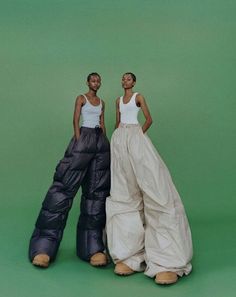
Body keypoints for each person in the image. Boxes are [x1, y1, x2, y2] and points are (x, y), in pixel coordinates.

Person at [106, 72, 193, 285]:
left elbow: (149, 118)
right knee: (123, 192)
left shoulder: (138, 96)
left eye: (128, 78)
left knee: (156, 190)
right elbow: (118, 122)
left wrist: (139, 136)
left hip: (137, 139)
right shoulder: (118, 100)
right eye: (123, 78)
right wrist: (119, 139)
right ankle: (131, 255)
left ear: (134, 82)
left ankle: (168, 260)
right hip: (120, 141)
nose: (125, 81)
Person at [29, 72, 110, 268]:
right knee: (63, 188)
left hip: (100, 142)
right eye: (93, 80)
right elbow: (75, 119)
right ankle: (44, 245)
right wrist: (78, 139)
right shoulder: (81, 98)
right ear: (87, 82)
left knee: (96, 194)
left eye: (98, 80)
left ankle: (91, 246)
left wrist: (105, 142)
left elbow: (102, 122)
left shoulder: (102, 101)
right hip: (83, 139)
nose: (95, 83)